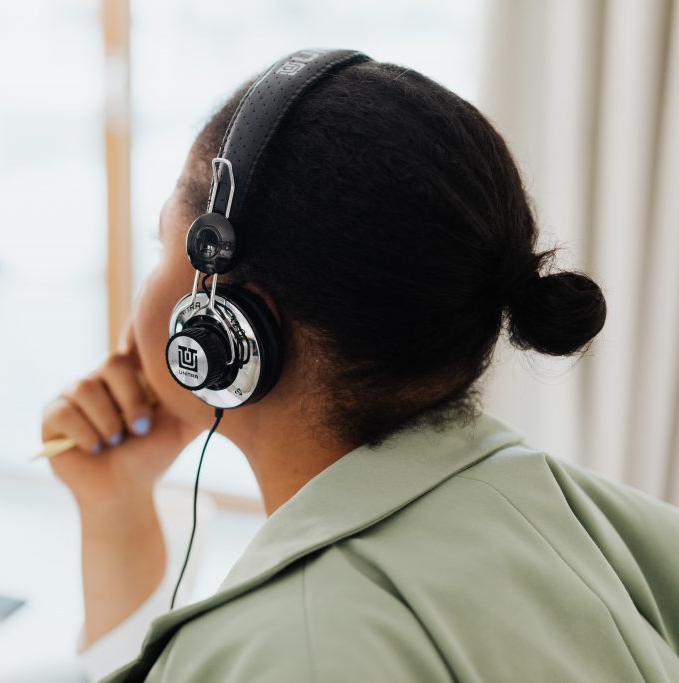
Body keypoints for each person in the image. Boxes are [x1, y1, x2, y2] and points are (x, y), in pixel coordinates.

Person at [41, 50, 679, 682]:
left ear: (224, 323)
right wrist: (116, 511)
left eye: (161, 244)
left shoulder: (291, 648)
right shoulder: (591, 517)